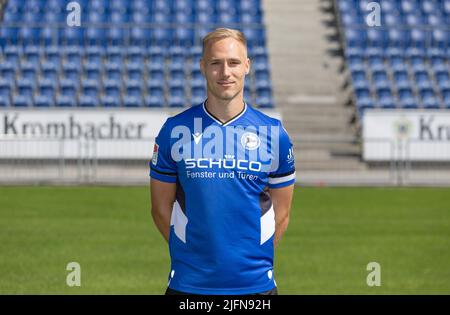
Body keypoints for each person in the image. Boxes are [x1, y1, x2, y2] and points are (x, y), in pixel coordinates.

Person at [150, 28, 295, 295]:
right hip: (189, 287)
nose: (225, 72)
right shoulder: (175, 130)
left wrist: (249, 261)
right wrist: (192, 256)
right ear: (203, 67)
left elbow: (281, 214)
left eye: (234, 63)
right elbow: (160, 209)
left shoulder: (274, 134)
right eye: (215, 63)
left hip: (255, 288)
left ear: (247, 66)